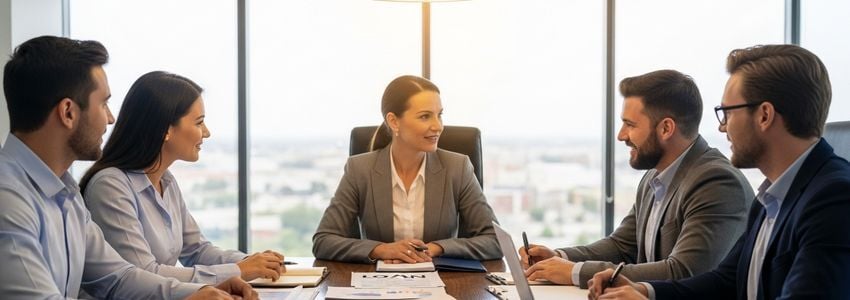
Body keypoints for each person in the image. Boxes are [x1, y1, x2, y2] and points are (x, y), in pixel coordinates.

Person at [0, 35, 255, 299]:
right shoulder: (8, 198)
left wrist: (195, 293)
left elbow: (117, 277)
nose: (110, 118)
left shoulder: (66, 193)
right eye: (104, 103)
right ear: (68, 112)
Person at [588, 44, 850, 300]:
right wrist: (647, 291)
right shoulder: (770, 199)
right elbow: (725, 280)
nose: (723, 128)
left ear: (764, 115)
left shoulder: (834, 199)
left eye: (727, 113)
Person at [520, 70, 754, 288]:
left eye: (630, 125)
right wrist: (560, 257)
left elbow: (685, 271)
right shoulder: (654, 176)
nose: (621, 135)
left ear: (666, 129)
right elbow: (622, 246)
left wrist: (574, 272)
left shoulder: (716, 181)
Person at [79, 71, 285, 284]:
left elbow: (196, 250)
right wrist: (238, 270)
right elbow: (145, 274)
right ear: (165, 130)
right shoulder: (110, 187)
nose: (206, 132)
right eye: (199, 123)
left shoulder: (165, 180)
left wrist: (254, 262)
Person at [312, 75, 501, 263]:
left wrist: (435, 248)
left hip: (442, 284)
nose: (438, 126)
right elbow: (324, 240)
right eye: (425, 116)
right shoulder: (360, 169)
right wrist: (382, 250)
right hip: (377, 285)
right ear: (394, 121)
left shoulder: (457, 168)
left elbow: (494, 241)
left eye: (439, 115)